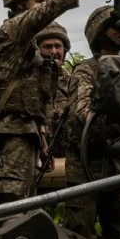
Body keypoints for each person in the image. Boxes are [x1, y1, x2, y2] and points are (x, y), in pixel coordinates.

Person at [0, 0, 120, 204]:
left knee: (25, 208)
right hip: (14, 136)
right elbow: (57, 5)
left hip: (26, 134)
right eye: (39, 1)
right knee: (12, 205)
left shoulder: (26, 45)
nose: (45, 6)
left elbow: (29, 101)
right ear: (20, 5)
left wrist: (41, 141)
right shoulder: (11, 33)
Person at [60, 6, 120, 239]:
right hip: (85, 160)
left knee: (119, 226)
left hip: (117, 160)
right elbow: (83, 112)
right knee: (80, 229)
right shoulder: (86, 69)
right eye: (117, 27)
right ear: (100, 32)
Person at [36, 23, 72, 177]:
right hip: (36, 157)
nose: (53, 52)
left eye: (58, 46)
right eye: (47, 47)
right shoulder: (27, 80)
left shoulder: (74, 80)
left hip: (67, 159)